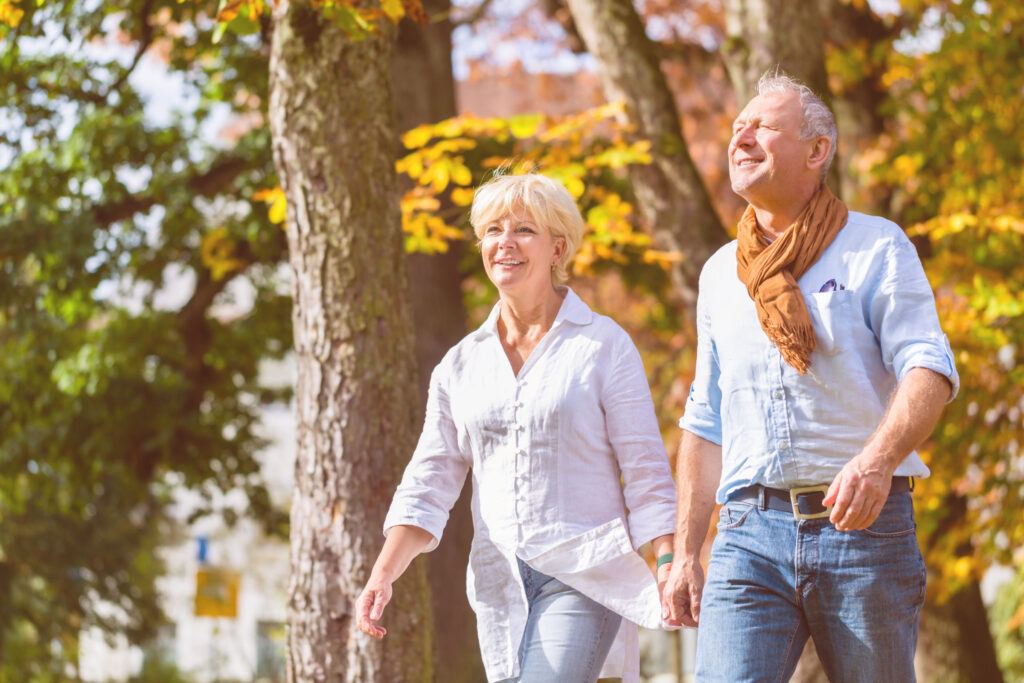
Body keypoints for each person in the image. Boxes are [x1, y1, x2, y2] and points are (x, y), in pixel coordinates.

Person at [663, 70, 958, 682]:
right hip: (747, 533)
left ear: (818, 150)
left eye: (762, 127)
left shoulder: (877, 246)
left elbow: (929, 367)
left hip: (864, 529)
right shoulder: (720, 274)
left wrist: (877, 461)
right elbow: (705, 416)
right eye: (737, 127)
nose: (740, 137)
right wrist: (686, 553)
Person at [356, 172, 677, 683]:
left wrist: (667, 563)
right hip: (499, 580)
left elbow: (645, 470)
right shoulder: (460, 365)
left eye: (524, 229)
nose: (504, 242)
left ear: (558, 248)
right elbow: (430, 480)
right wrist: (383, 572)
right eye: (492, 230)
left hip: (581, 572)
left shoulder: (602, 346)